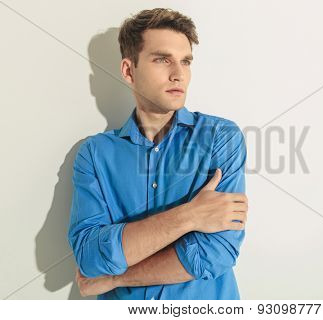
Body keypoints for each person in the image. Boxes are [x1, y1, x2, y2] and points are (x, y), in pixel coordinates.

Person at [67, 8, 248, 300]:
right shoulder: (94, 155)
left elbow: (215, 254)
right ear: (129, 71)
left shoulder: (220, 138)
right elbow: (89, 256)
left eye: (185, 62)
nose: (178, 74)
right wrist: (191, 215)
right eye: (163, 59)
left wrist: (116, 277)